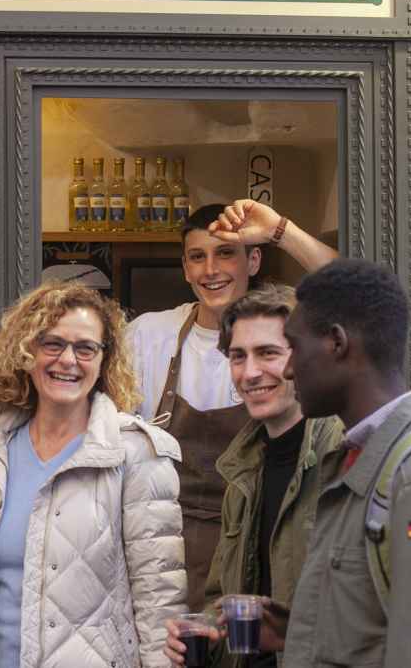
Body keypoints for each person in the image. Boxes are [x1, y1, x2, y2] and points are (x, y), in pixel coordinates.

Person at [0, 281, 186, 668]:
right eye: (52, 344)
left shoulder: (136, 454)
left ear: (104, 360)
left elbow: (160, 611)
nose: (68, 360)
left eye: (85, 348)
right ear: (27, 352)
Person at [128, 199, 336, 609]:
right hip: (164, 557)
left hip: (254, 542)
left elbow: (351, 292)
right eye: (197, 257)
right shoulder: (147, 336)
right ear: (185, 268)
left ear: (253, 260)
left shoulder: (285, 329)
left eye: (226, 253)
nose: (211, 270)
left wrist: (279, 228)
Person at [279, 260, 411, 668]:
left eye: (294, 346)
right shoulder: (358, 458)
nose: (287, 368)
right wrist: (292, 630)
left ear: (337, 343)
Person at [163, 284, 343, 668]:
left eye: (268, 354)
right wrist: (204, 633)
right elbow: (221, 597)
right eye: (238, 356)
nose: (250, 372)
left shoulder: (344, 460)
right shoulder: (242, 470)